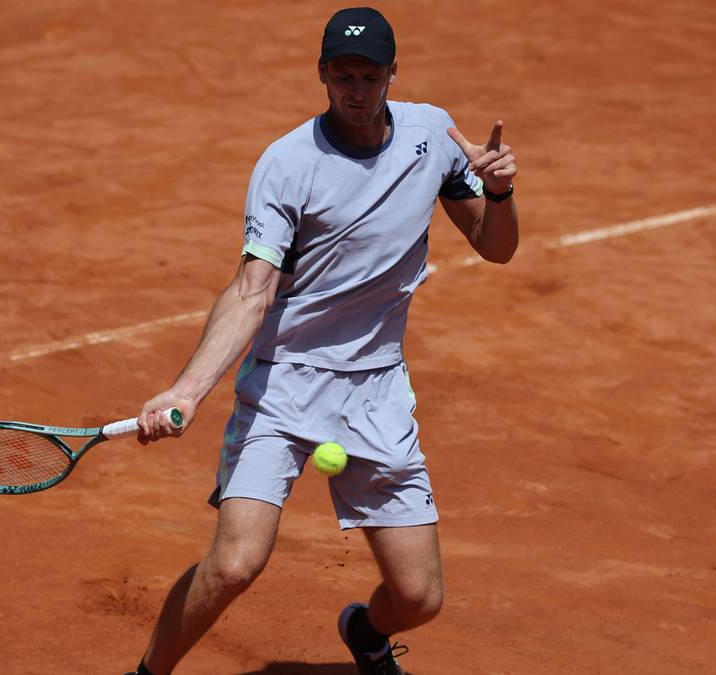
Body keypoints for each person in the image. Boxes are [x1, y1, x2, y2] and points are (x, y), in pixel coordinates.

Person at [127, 7, 518, 674]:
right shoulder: (287, 163)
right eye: (342, 77)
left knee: (420, 597)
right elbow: (253, 288)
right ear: (322, 75)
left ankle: (365, 633)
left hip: (376, 390)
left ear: (394, 74)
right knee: (234, 564)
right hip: (283, 382)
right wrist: (188, 391)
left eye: (370, 76)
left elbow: (497, 248)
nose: (356, 91)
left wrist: (501, 192)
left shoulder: (434, 135)